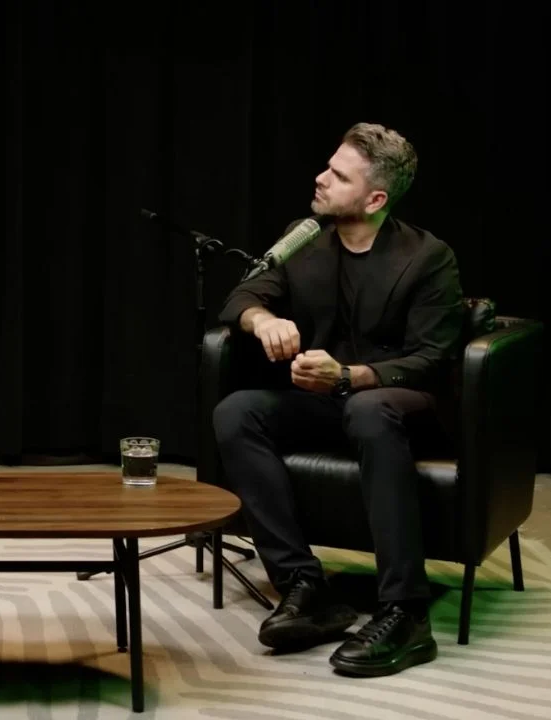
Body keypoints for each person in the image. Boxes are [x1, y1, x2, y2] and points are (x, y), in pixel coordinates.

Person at [213, 122, 464, 677]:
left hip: (399, 408)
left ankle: (407, 612)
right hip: (329, 403)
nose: (321, 179)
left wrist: (350, 375)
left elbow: (432, 359)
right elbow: (243, 295)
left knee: (367, 408)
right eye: (328, 166)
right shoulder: (303, 237)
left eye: (339, 175)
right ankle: (304, 586)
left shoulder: (428, 257)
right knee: (237, 411)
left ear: (375, 199)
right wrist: (263, 318)